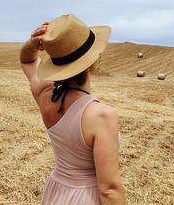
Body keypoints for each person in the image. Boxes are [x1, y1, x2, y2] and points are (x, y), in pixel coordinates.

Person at [20, 14, 125, 205]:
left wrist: (31, 44)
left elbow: (27, 61)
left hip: (56, 192)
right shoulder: (101, 115)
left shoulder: (45, 95)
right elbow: (109, 190)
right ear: (92, 65)